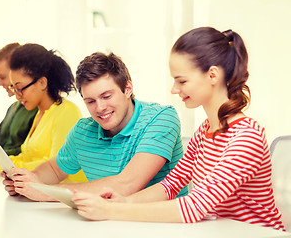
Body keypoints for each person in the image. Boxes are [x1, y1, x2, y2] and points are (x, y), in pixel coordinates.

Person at [72, 27, 285, 231]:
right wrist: (125, 201)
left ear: (212, 76)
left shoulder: (247, 136)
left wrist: (113, 210)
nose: (174, 89)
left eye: (181, 81)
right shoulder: (204, 132)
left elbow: (195, 206)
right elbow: (170, 185)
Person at [1, 52, 188, 201]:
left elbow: (127, 184)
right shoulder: (83, 131)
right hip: (104, 223)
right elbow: (54, 169)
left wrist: (46, 192)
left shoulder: (161, 118)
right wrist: (26, 183)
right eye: (90, 101)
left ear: (128, 89)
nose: (100, 108)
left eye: (107, 96)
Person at [0, 43, 87, 183]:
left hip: (64, 198)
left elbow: (57, 168)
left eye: (20, 88)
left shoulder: (67, 112)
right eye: (13, 89)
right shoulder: (40, 114)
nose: (17, 96)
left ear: (42, 83)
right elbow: (28, 158)